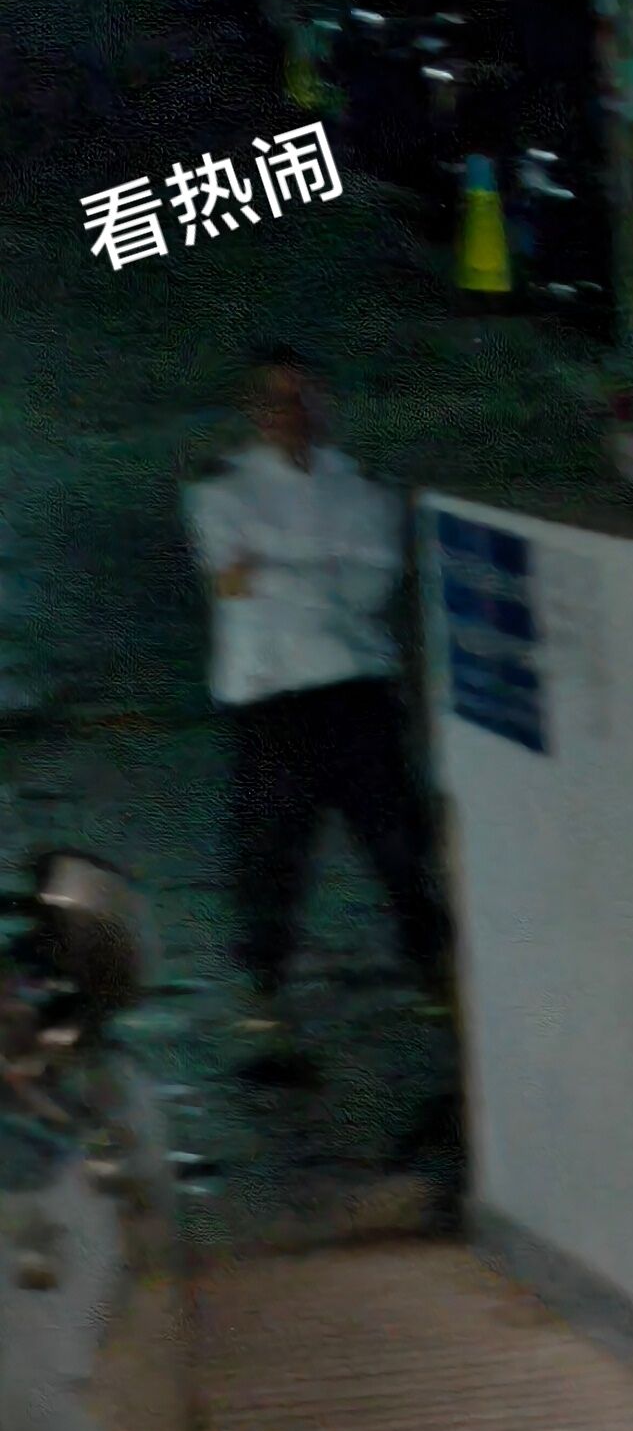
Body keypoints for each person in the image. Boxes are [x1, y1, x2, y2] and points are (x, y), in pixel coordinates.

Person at [182, 345, 453, 1087]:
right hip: (271, 702)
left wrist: (277, 569)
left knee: (399, 844)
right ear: (253, 412)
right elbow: (235, 583)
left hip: (355, 692)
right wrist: (324, 569)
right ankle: (265, 986)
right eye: (274, 400)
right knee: (270, 854)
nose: (290, 414)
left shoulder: (360, 489)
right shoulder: (221, 492)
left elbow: (371, 588)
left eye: (302, 397)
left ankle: (432, 965)